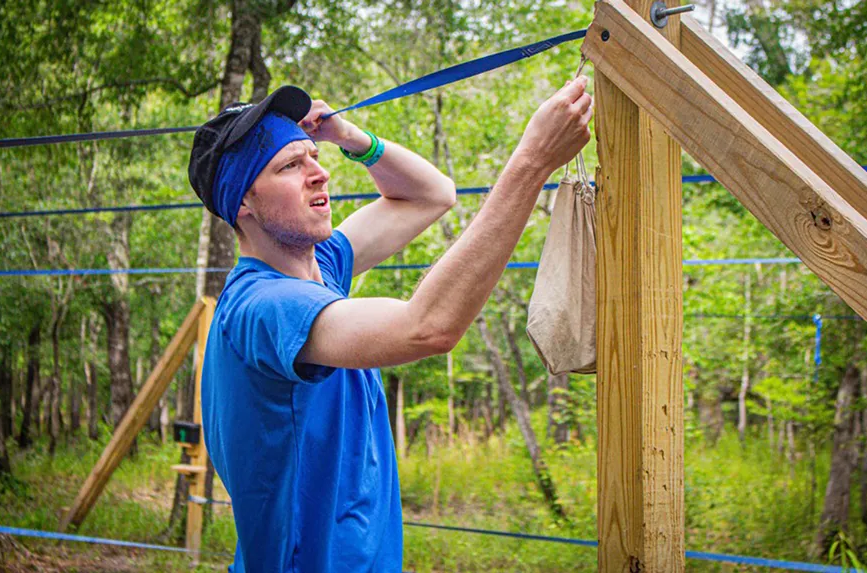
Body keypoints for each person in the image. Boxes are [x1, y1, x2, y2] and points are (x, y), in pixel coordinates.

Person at [187, 76, 593, 573]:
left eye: (314, 157)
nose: (319, 174)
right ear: (242, 202)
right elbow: (427, 327)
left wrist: (353, 139)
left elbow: (433, 196)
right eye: (291, 165)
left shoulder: (323, 267)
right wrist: (532, 162)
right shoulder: (264, 306)